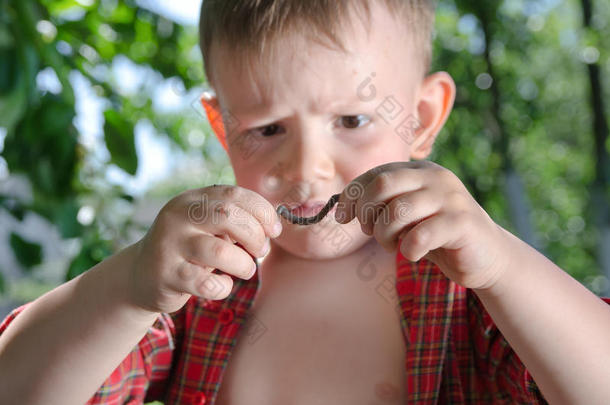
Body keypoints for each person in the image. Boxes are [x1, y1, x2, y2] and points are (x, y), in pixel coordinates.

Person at [1, 0, 610, 404]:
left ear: (420, 117)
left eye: (353, 118)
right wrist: (127, 284)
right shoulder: (201, 288)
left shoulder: (466, 294)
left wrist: (503, 267)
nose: (306, 168)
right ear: (223, 127)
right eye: (267, 130)